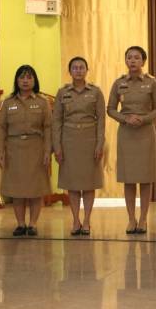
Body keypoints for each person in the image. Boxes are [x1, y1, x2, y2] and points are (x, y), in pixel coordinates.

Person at [107, 46, 156, 235]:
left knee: (146, 178)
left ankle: (143, 219)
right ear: (125, 60)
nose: (132, 61)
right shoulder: (119, 83)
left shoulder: (152, 83)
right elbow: (110, 109)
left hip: (146, 133)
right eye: (129, 57)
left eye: (137, 58)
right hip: (126, 134)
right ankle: (131, 219)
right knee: (129, 178)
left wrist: (144, 119)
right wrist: (125, 119)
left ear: (143, 61)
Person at [52, 57, 105, 236]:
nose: (78, 70)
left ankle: (87, 220)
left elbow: (101, 121)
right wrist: (57, 146)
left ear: (87, 70)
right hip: (69, 141)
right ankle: (75, 220)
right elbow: (56, 121)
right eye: (74, 68)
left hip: (90, 140)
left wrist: (100, 144)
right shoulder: (62, 92)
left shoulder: (96, 92)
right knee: (72, 183)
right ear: (70, 71)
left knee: (89, 183)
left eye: (82, 67)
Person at [0, 65, 52, 236]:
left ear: (34, 80)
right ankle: (20, 224)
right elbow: (1, 127)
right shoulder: (8, 102)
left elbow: (48, 127)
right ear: (17, 81)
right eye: (22, 77)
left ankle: (33, 224)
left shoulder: (42, 102)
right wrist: (0, 151)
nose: (25, 81)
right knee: (17, 190)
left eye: (29, 77)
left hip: (36, 148)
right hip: (14, 150)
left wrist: (47, 151)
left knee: (36, 189)